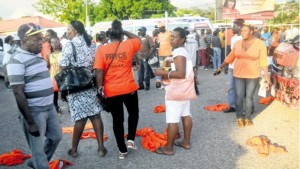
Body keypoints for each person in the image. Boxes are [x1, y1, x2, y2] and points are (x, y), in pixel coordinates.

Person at [6, 23, 62, 169]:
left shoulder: (37, 55)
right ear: (24, 40)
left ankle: (37, 162)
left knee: (56, 137)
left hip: (49, 107)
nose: (42, 42)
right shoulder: (16, 60)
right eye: (37, 39)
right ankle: (39, 162)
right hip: (34, 111)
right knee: (37, 151)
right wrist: (30, 122)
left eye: (41, 38)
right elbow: (18, 92)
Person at [94, 19, 141, 159]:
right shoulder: (129, 44)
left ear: (108, 36)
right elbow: (138, 39)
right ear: (121, 35)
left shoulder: (101, 49)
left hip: (111, 90)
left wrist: (99, 89)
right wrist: (124, 31)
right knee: (133, 112)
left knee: (117, 120)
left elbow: (98, 71)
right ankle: (131, 139)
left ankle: (122, 150)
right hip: (129, 88)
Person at [59, 20, 106, 158]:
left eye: (69, 30)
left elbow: (62, 67)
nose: (67, 32)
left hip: (75, 87)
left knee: (80, 119)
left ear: (76, 31)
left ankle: (73, 150)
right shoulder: (92, 45)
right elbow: (97, 66)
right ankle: (101, 148)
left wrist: (62, 91)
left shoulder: (69, 45)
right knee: (96, 115)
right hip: (90, 85)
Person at [215, 23, 270, 127]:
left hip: (253, 74)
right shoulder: (238, 43)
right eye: (242, 31)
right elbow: (230, 57)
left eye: (245, 31)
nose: (242, 33)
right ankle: (239, 117)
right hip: (238, 73)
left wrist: (266, 77)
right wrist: (220, 67)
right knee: (239, 95)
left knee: (249, 97)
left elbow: (263, 61)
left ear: (252, 31)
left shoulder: (260, 44)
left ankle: (248, 118)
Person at [154, 27, 194, 155]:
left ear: (182, 39)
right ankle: (186, 142)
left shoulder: (179, 52)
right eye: (171, 36)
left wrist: (161, 72)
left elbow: (180, 73)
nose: (171, 39)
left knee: (173, 120)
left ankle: (169, 148)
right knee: (186, 114)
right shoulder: (182, 51)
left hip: (177, 90)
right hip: (185, 89)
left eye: (175, 37)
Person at [223, 19, 244, 113]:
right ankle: (232, 106)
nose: (232, 28)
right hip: (232, 66)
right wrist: (227, 65)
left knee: (241, 88)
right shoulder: (233, 38)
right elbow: (231, 53)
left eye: (234, 26)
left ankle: (243, 107)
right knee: (230, 86)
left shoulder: (245, 38)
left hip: (242, 67)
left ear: (240, 27)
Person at [46, 37, 63, 114]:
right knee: (55, 94)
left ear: (58, 43)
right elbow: (48, 66)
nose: (54, 44)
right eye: (52, 42)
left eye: (55, 42)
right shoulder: (49, 55)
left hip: (62, 76)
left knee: (65, 93)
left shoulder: (63, 54)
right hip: (53, 77)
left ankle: (71, 107)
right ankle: (56, 107)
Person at [137, 26, 155, 91]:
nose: (140, 32)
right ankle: (140, 85)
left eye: (141, 30)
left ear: (144, 31)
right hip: (139, 58)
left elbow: (153, 47)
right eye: (139, 30)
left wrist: (148, 55)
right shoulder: (138, 38)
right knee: (139, 72)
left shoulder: (148, 37)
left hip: (145, 57)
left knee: (146, 72)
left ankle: (147, 85)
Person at [156, 22, 172, 89]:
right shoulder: (159, 35)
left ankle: (169, 83)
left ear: (163, 27)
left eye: (159, 28)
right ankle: (163, 83)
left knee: (168, 68)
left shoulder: (169, 33)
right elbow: (158, 44)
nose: (158, 29)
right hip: (160, 54)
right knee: (161, 68)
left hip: (168, 53)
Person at [185, 29, 200, 95]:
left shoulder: (185, 42)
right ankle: (196, 89)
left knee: (187, 74)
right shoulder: (195, 42)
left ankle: (189, 90)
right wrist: (197, 61)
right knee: (193, 72)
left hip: (187, 59)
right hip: (193, 59)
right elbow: (197, 52)